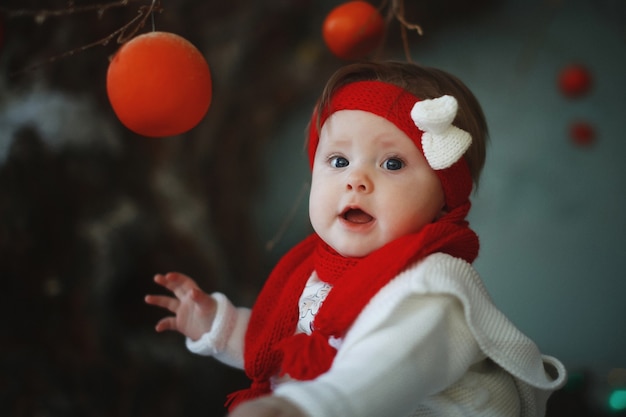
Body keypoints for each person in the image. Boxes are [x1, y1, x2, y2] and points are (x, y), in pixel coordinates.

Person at [145, 61, 567, 417]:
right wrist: (217, 325)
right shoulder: (314, 273)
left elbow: (382, 373)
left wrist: (301, 408)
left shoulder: (433, 288)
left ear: (444, 198)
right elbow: (286, 353)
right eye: (339, 160)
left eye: (393, 163)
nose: (356, 180)